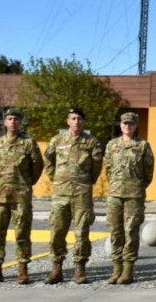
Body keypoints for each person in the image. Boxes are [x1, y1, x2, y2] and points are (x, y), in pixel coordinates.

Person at [0, 108, 43, 285]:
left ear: (20, 122)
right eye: (9, 119)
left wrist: (26, 184)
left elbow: (37, 166)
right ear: (5, 122)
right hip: (0, 196)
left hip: (21, 197)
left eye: (16, 119)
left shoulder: (29, 143)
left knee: (22, 233)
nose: (13, 122)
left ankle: (22, 268)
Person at [44, 107, 104, 284]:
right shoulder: (57, 140)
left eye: (79, 119)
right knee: (57, 231)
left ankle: (79, 268)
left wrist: (86, 182)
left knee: (82, 232)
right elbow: (49, 161)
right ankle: (57, 269)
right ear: (68, 121)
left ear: (83, 122)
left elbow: (96, 167)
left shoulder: (91, 142)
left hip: (81, 194)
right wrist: (56, 178)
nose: (76, 122)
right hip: (60, 194)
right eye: (73, 118)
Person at [104, 111, 154, 284]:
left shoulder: (143, 146)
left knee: (131, 232)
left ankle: (127, 271)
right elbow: (108, 169)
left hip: (134, 195)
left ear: (135, 126)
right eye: (125, 123)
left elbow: (148, 173)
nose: (127, 126)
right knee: (115, 232)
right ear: (120, 125)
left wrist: (137, 186)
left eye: (131, 124)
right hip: (115, 195)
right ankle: (116, 269)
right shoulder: (112, 145)